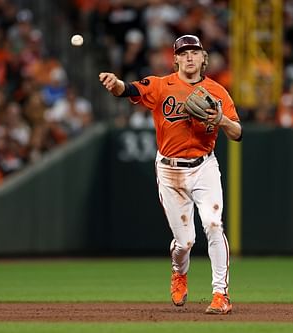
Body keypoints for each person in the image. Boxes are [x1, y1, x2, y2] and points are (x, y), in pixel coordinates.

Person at [99, 34, 242, 315]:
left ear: (204, 58)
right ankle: (179, 272)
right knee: (184, 242)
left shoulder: (218, 92)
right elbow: (127, 89)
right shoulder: (161, 86)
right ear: (175, 58)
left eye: (194, 52)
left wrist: (222, 120)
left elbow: (238, 133)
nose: (189, 57)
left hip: (204, 166)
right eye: (183, 53)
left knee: (214, 224)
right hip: (169, 170)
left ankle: (220, 294)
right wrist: (114, 83)